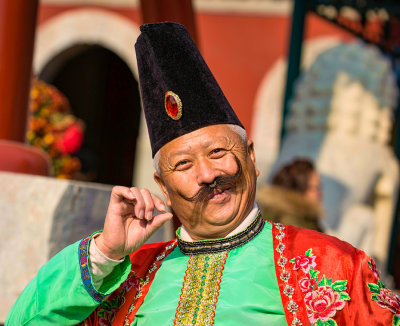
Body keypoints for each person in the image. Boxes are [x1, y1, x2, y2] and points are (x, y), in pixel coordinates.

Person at [6, 22, 399, 326]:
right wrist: (105, 254)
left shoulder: (333, 265)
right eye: (183, 165)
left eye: (218, 152)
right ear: (161, 184)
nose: (208, 174)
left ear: (251, 157)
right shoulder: (128, 278)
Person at [257, 158, 323, 231]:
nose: (320, 193)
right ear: (299, 190)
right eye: (315, 188)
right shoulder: (289, 222)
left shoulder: (306, 218)